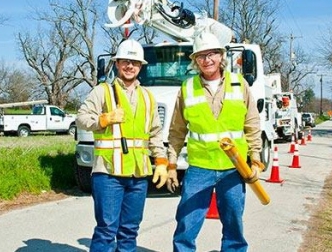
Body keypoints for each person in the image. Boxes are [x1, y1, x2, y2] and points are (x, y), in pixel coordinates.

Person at [165, 31, 264, 252]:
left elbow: (252, 124)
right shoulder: (187, 88)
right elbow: (176, 131)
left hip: (234, 168)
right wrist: (171, 164)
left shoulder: (240, 84)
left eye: (211, 54)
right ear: (195, 61)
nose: (207, 60)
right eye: (201, 56)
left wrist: (255, 159)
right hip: (200, 168)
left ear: (221, 56)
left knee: (233, 224)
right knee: (186, 224)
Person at [76, 39, 169, 252]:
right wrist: (103, 119)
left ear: (140, 67)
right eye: (125, 61)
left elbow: (154, 132)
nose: (130, 66)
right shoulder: (103, 91)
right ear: (117, 64)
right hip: (108, 173)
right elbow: (81, 118)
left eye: (135, 63)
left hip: (138, 175)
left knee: (130, 230)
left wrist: (161, 160)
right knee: (107, 230)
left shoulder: (147, 97)